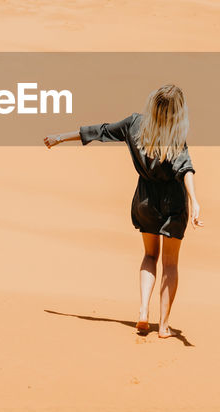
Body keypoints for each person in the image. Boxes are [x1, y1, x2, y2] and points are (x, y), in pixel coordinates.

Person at [44, 84, 203, 339]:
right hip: (172, 203)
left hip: (145, 201)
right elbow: (186, 169)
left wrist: (61, 137)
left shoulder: (135, 125)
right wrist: (194, 201)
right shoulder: (175, 138)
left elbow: (101, 130)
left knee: (150, 255)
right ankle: (163, 327)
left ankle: (142, 311)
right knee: (170, 263)